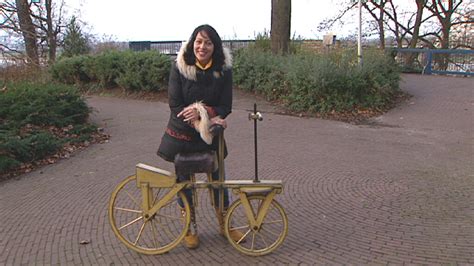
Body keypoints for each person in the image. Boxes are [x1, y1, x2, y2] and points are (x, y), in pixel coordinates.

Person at [157, 24, 243, 249]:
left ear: (214, 46)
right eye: (198, 41)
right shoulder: (180, 67)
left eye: (207, 42)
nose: (202, 47)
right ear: (192, 42)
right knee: (184, 183)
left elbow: (226, 105)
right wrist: (196, 118)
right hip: (183, 133)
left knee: (218, 180)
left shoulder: (223, 70)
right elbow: (175, 103)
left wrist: (204, 113)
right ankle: (189, 226)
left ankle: (225, 224)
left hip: (211, 134)